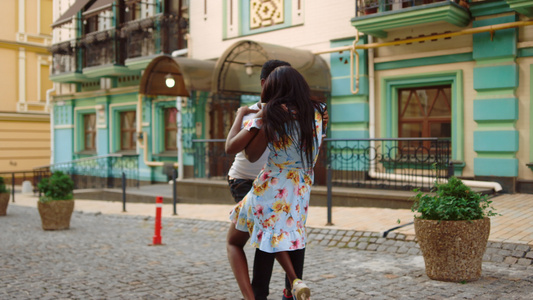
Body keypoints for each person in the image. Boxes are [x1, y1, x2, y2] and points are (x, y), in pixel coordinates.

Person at [226, 66, 327, 300]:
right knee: (281, 234)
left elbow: (242, 151)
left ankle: (261, 294)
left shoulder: (271, 113)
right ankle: (295, 281)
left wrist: (255, 118)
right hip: (300, 188)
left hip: (271, 185)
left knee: (235, 241)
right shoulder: (319, 110)